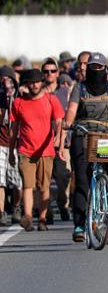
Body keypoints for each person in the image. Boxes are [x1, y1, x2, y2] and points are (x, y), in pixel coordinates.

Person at [64, 52, 108, 242]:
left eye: (99, 67)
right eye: (93, 67)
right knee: (82, 181)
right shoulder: (80, 88)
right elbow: (72, 110)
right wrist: (68, 122)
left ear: (105, 69)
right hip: (83, 135)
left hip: (105, 136)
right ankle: (79, 224)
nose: (96, 70)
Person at [10, 69, 65, 231]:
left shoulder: (51, 99)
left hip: (45, 151)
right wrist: (12, 151)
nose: (34, 85)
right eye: (31, 82)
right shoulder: (18, 102)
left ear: (42, 82)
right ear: (27, 84)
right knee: (27, 185)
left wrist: (58, 136)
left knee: (44, 187)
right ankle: (28, 217)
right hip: (25, 150)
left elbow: (59, 121)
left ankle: (42, 219)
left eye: (37, 82)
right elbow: (14, 128)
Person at [42, 58, 71, 221]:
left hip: (62, 143)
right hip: (42, 143)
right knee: (44, 179)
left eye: (52, 71)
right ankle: (47, 212)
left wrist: (61, 137)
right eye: (46, 71)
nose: (49, 74)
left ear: (58, 73)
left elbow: (68, 117)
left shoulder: (65, 92)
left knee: (62, 177)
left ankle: (62, 204)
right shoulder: (39, 93)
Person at [0, 66, 22, 226]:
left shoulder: (20, 97)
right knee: (0, 181)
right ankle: (1, 212)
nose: (5, 83)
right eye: (2, 79)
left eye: (8, 79)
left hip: (17, 144)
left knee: (17, 181)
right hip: (1, 143)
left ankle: (16, 207)